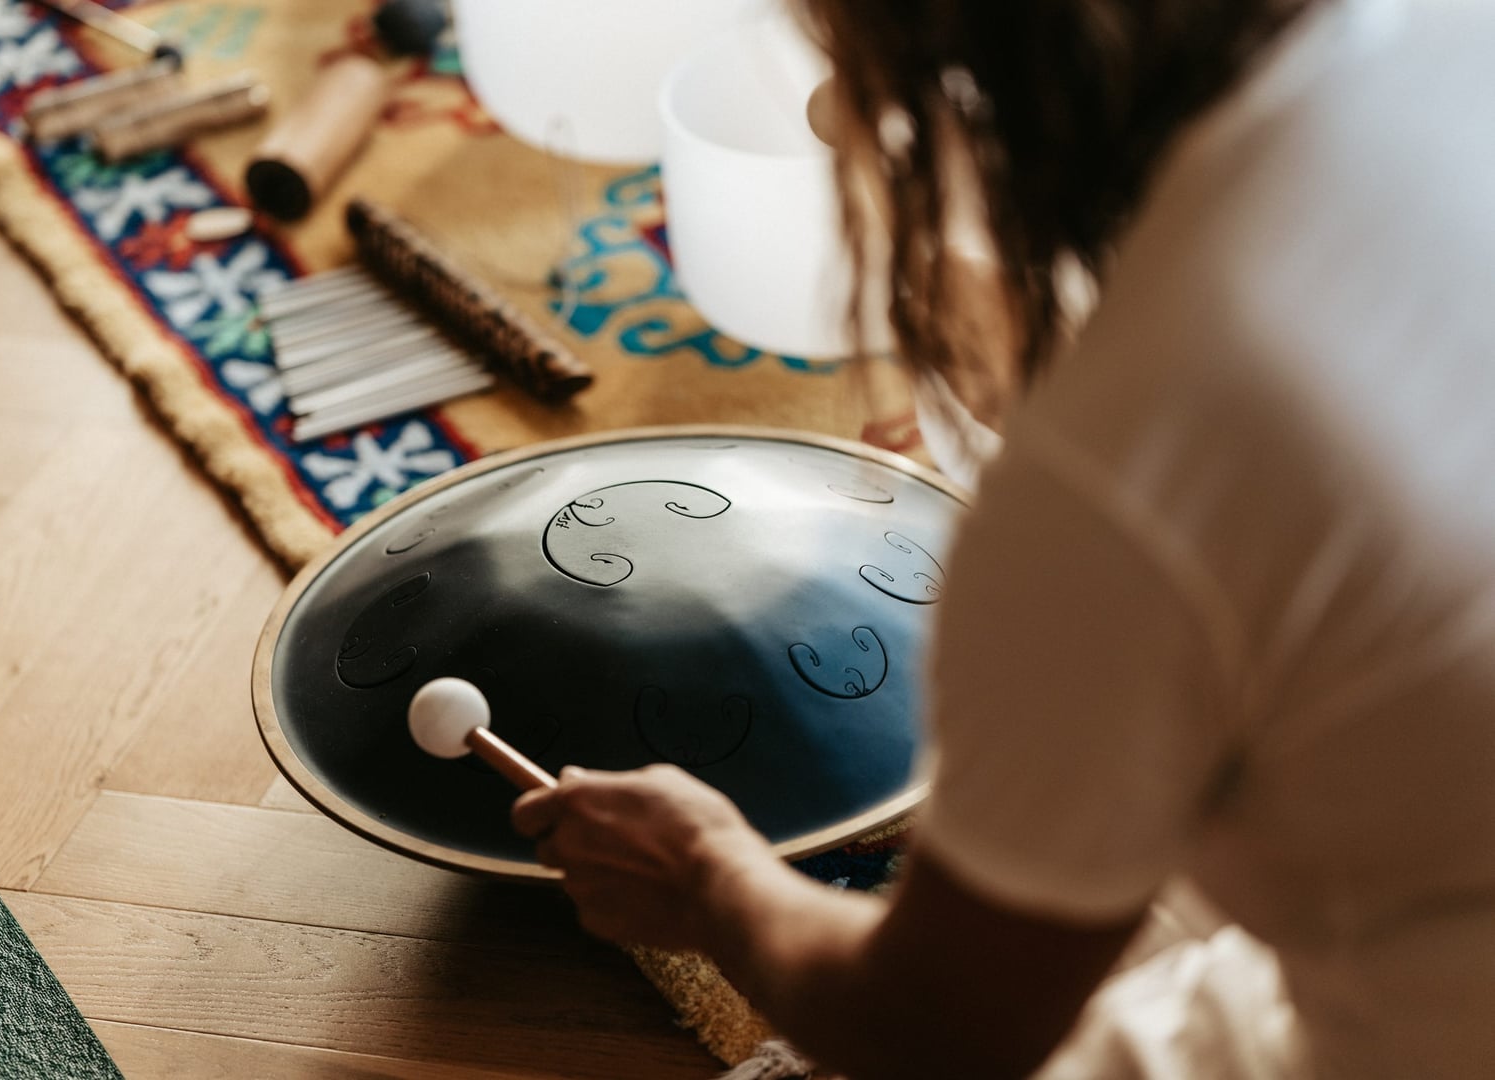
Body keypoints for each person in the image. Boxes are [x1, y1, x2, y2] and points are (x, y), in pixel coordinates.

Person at [513, 0, 1495, 1076]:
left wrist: (706, 874)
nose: (839, 120)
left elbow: (933, 1028)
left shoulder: (1122, 464)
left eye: (860, 67)